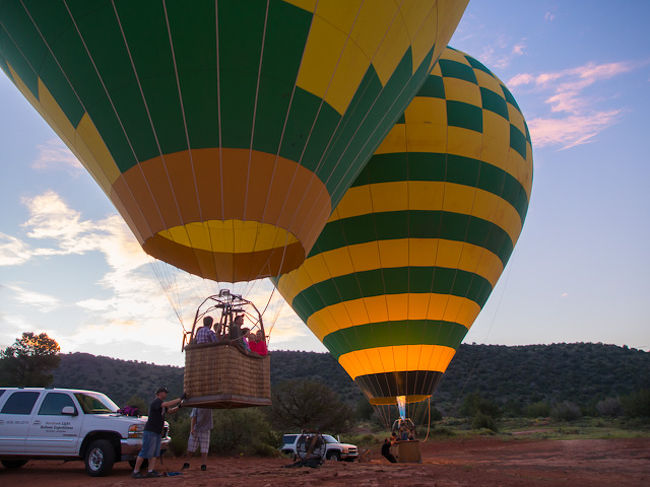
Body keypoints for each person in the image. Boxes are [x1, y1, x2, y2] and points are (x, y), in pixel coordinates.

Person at [132, 387, 183, 479]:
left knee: (154, 453)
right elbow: (167, 404)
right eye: (164, 393)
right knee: (145, 451)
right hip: (150, 431)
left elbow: (170, 411)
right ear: (159, 393)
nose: (166, 394)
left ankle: (150, 471)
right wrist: (180, 399)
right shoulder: (157, 402)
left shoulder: (162, 404)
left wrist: (179, 406)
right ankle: (135, 471)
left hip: (157, 432)